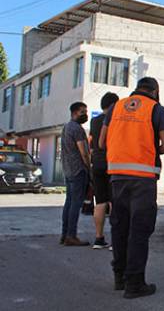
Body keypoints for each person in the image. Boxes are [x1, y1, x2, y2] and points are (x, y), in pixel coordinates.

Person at [99, 77, 164, 299]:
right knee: (139, 231)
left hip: (117, 178)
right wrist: (145, 150)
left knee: (119, 228)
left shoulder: (115, 107)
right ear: (155, 90)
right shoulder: (157, 110)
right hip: (143, 180)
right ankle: (135, 284)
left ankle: (119, 277)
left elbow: (102, 143)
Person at [89, 92, 119, 249]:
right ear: (114, 105)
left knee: (100, 202)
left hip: (97, 164)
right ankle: (116, 240)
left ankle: (98, 238)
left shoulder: (94, 121)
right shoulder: (114, 120)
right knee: (114, 202)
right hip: (110, 163)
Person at [60, 102, 91, 247]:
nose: (85, 114)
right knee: (75, 204)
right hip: (78, 170)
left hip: (68, 170)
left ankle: (64, 234)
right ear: (74, 113)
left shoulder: (66, 127)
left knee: (69, 202)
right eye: (82, 112)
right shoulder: (77, 129)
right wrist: (88, 167)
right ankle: (71, 236)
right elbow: (83, 152)